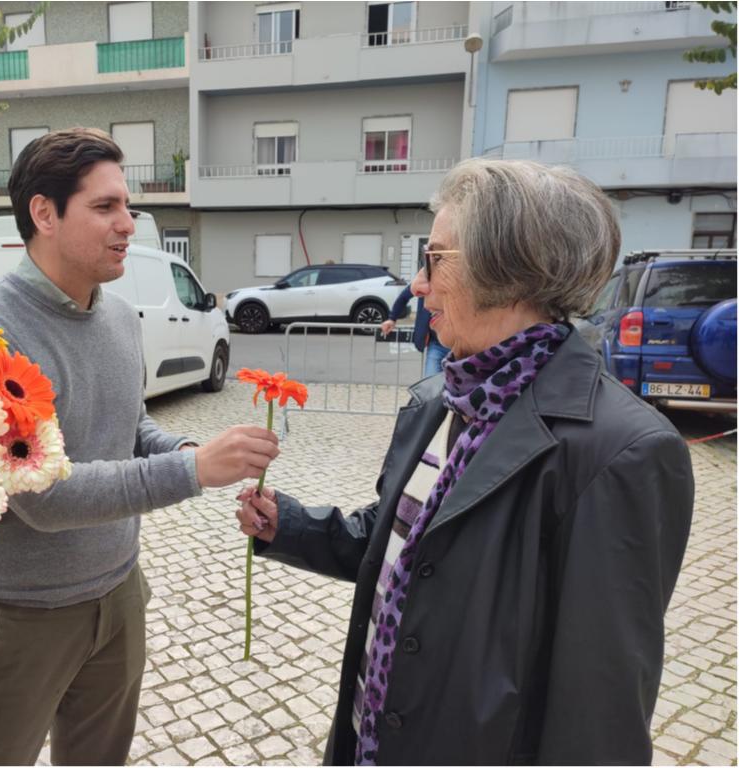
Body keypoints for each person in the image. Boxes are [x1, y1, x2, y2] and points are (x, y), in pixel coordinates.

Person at [236, 158, 694, 765]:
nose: (417, 285)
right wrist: (289, 525)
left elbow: (598, 715)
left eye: (434, 259)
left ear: (507, 268)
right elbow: (398, 547)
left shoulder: (621, 452)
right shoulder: (438, 400)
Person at [0, 127, 280, 766]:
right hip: (19, 617)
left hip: (119, 594)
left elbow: (131, 427)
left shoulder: (122, 317)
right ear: (44, 213)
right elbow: (44, 497)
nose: (128, 223)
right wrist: (192, 470)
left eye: (127, 205)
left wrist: (188, 447)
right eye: (105, 207)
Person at [379, 284, 450, 376]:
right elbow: (404, 296)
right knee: (431, 381)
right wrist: (392, 318)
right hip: (437, 345)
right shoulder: (426, 280)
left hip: (462, 345)